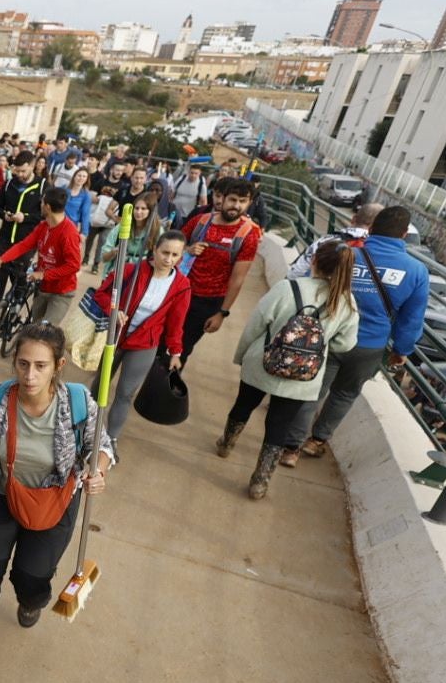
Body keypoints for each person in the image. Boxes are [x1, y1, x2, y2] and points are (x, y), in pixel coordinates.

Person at [0, 322, 113, 664]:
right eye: (23, 364)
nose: (30, 375)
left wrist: (98, 470)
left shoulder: (79, 403)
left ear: (58, 366)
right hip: (1, 495)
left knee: (32, 576)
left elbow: (101, 447)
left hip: (55, 501)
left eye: (41, 366)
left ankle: (31, 600)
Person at [218, 240, 360, 498]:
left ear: (314, 261)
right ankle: (260, 481)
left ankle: (226, 443)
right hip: (303, 377)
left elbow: (256, 325)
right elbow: (346, 343)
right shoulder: (347, 302)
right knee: (279, 426)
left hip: (263, 364)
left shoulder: (287, 287)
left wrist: (242, 356)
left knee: (243, 405)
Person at [298, 207, 429, 461]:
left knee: (314, 388)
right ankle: (316, 440)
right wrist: (402, 351)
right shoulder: (416, 271)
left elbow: (309, 284)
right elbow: (411, 319)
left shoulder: (344, 254)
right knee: (345, 394)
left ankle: (291, 443)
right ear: (403, 235)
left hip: (331, 335)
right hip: (370, 345)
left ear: (369, 229)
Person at [92, 232, 192, 440]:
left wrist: (175, 352)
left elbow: (176, 322)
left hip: (145, 344)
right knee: (99, 385)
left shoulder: (182, 286)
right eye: (165, 252)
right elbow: (101, 293)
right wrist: (114, 309)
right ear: (154, 249)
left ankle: (110, 441)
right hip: (116, 337)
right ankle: (84, 429)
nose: (168, 259)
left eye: (175, 255)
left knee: (125, 394)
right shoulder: (130, 270)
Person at [178, 178, 262, 362]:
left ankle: (162, 388)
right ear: (222, 199)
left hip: (208, 302)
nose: (236, 206)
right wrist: (187, 249)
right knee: (162, 341)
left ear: (249, 203)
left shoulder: (249, 234)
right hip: (179, 292)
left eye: (243, 201)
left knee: (182, 349)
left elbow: (238, 279)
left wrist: (221, 313)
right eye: (232, 199)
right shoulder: (200, 221)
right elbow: (174, 245)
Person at [0, 186, 82, 326]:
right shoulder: (43, 226)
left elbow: (74, 265)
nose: (39, 205)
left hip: (61, 292)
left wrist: (43, 275)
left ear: (47, 207)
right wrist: (1, 259)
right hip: (43, 288)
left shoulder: (69, 233)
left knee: (44, 331)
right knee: (34, 326)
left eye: (41, 203)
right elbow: (24, 245)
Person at [0, 153, 43, 316]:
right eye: (17, 171)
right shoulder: (9, 184)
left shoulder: (43, 185)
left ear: (33, 165)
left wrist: (26, 218)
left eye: (23, 171)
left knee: (20, 276)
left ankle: (15, 306)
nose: (20, 175)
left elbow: (45, 215)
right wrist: (5, 215)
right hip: (4, 238)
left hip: (27, 240)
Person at [288, 201, 381, 280]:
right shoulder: (374, 250)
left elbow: (296, 272)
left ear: (353, 219)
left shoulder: (326, 240)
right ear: (374, 228)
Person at [63, 168, 92, 240]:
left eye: (84, 176)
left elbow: (86, 214)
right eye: (79, 175)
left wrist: (84, 233)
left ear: (86, 179)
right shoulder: (64, 189)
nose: (81, 178)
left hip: (71, 227)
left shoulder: (86, 195)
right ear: (74, 176)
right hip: (57, 223)